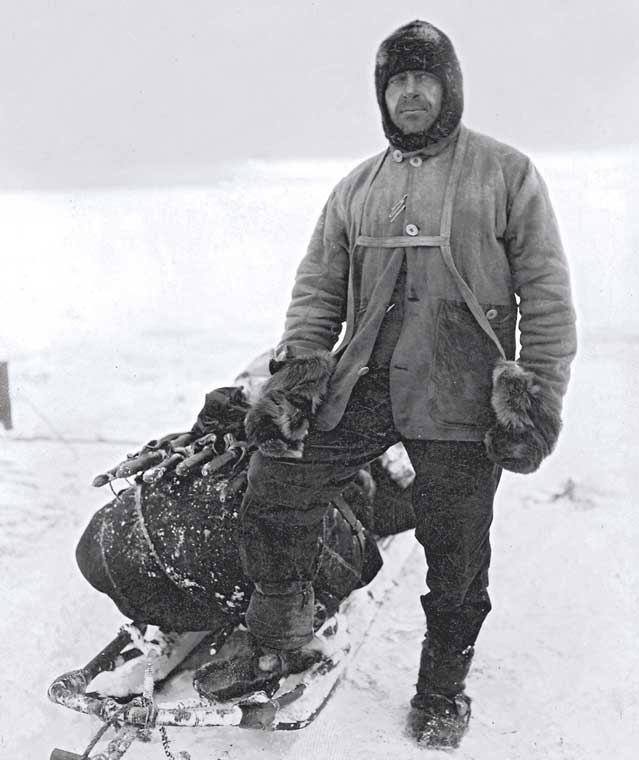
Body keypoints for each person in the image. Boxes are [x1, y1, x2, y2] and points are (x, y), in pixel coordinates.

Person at [212, 20, 576, 749]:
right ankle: (280, 629)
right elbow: (317, 291)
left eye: (424, 79)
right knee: (275, 481)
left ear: (450, 87)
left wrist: (534, 397)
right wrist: (295, 379)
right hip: (362, 385)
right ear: (382, 94)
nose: (410, 93)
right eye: (396, 81)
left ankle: (441, 689)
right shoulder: (356, 188)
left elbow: (545, 294)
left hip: (458, 395)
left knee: (457, 554)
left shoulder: (505, 172)